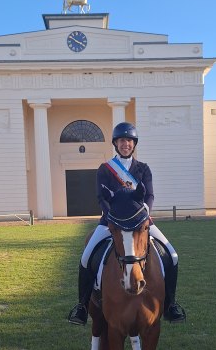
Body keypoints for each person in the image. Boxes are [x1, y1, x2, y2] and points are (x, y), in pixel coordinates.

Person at [67, 121, 186, 326]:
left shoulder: (143, 169)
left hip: (140, 223)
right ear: (115, 143)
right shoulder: (105, 169)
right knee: (86, 258)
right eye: (122, 141)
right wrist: (113, 216)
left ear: (134, 144)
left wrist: (142, 216)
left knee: (173, 255)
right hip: (110, 223)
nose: (126, 144)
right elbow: (101, 198)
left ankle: (170, 305)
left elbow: (149, 195)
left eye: (129, 141)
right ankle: (82, 306)